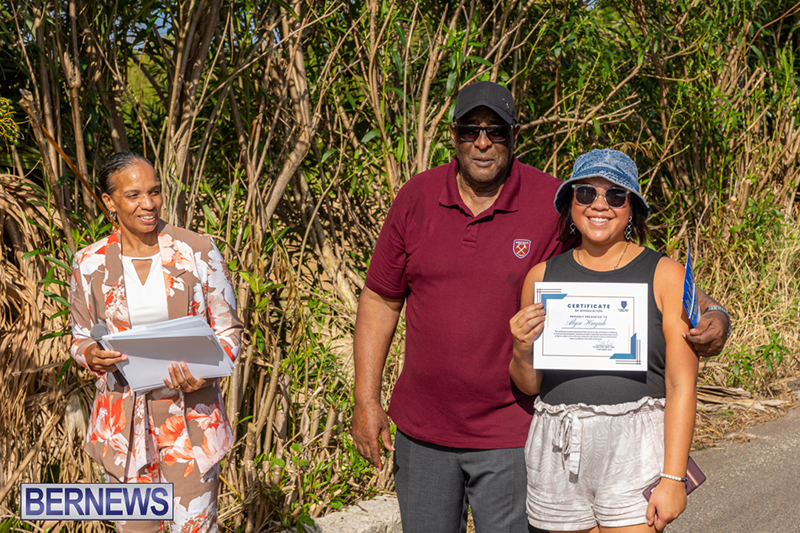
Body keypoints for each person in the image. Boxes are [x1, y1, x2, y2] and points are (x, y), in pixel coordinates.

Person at [352, 82, 729, 533]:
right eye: (471, 129)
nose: (483, 141)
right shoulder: (416, 197)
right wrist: (365, 400)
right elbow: (380, 297)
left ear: (515, 135)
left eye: (497, 130)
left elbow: (626, 266)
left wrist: (713, 312)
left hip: (512, 435)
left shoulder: (552, 204)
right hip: (424, 433)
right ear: (453, 135)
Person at [510, 148, 698, 532]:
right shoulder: (541, 278)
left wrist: (674, 477)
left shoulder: (666, 275)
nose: (600, 205)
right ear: (570, 204)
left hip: (635, 448)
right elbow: (528, 384)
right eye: (585, 193)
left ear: (632, 209)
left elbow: (682, 384)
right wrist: (521, 348)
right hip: (558, 448)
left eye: (615, 195)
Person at [69, 152, 243, 532]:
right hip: (123, 426)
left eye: (154, 192)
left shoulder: (198, 251)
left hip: (191, 423)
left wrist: (204, 374)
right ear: (109, 201)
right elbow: (79, 337)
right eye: (133, 195)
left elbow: (229, 329)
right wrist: (91, 355)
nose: (148, 204)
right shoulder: (89, 262)